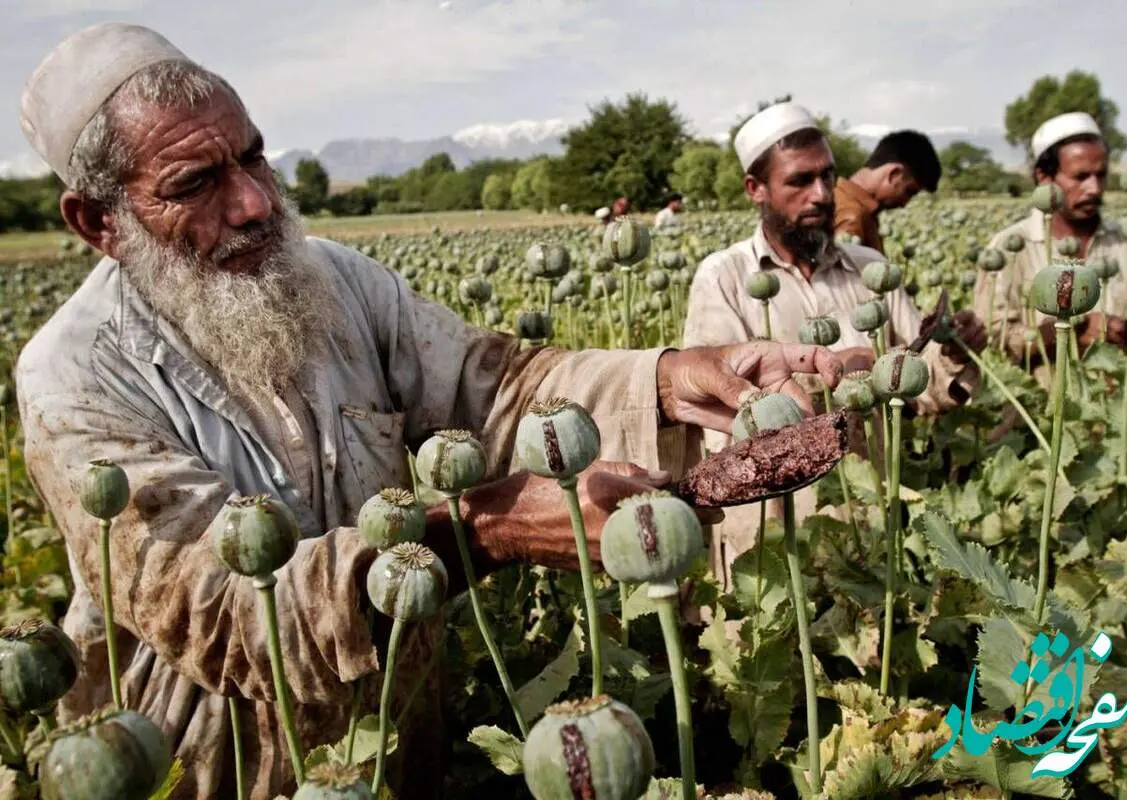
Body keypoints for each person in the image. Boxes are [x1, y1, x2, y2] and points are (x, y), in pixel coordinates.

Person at [14, 25, 844, 799]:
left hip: (402, 736)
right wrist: (482, 532)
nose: (256, 203)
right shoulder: (74, 376)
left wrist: (668, 377)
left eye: (254, 159)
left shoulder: (333, 279)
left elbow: (500, 386)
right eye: (196, 183)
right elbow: (227, 613)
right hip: (211, 762)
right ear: (100, 223)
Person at [682, 100, 985, 587]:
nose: (821, 195)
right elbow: (716, 411)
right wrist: (834, 373)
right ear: (755, 190)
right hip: (772, 543)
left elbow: (922, 385)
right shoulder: (724, 277)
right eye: (799, 181)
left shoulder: (870, 269)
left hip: (864, 527)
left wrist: (952, 350)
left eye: (828, 176)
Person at [975, 111, 1127, 369]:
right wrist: (1072, 329)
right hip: (1038, 406)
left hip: (1120, 402)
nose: (1094, 188)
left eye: (1100, 175)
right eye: (1080, 177)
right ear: (1044, 178)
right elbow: (990, 344)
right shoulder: (1009, 248)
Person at [834, 130, 942, 254]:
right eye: (910, 192)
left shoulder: (838, 195)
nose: (904, 204)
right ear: (894, 174)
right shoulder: (852, 217)